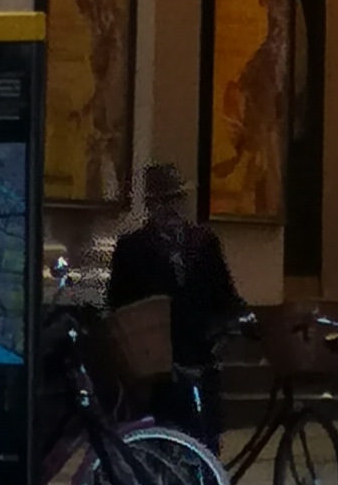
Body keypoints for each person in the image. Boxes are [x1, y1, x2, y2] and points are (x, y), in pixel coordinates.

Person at [105, 163, 249, 443]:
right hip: (158, 361)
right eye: (162, 202)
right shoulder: (133, 248)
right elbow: (118, 305)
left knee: (206, 434)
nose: (170, 209)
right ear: (150, 206)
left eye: (175, 200)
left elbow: (223, 292)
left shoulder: (203, 244)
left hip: (201, 350)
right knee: (165, 430)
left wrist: (239, 318)